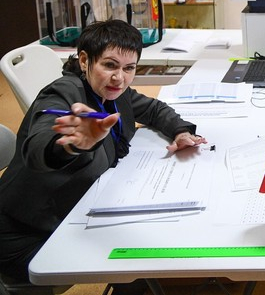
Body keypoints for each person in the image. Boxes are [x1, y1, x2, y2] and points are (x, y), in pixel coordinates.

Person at [0, 20, 206, 284]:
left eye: (129, 68)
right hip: (30, 232)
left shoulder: (114, 92)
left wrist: (180, 131)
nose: (120, 77)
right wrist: (73, 145)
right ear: (85, 60)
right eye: (109, 65)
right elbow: (38, 148)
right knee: (139, 255)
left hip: (74, 211)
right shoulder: (61, 95)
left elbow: (154, 109)